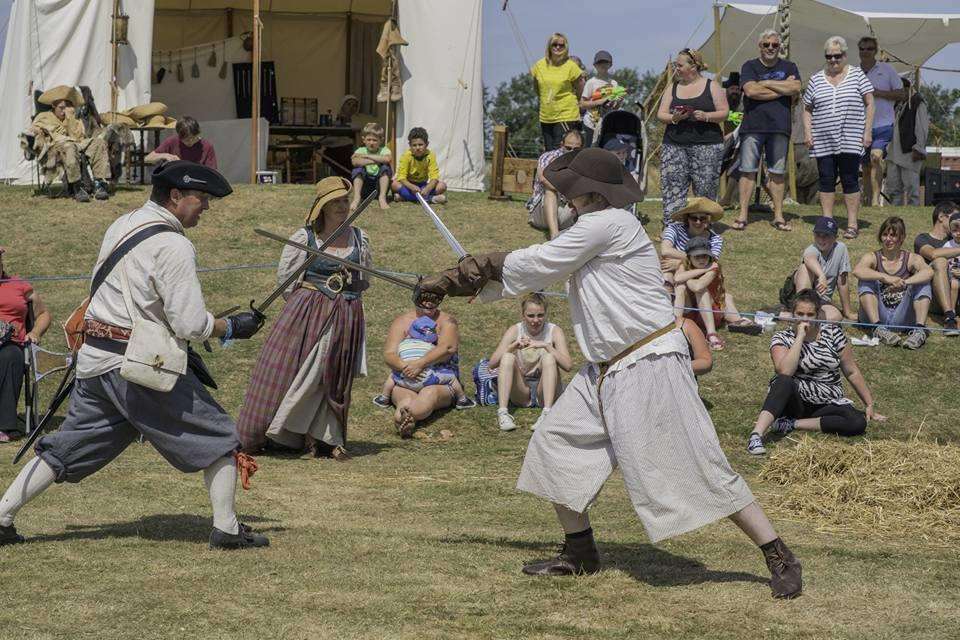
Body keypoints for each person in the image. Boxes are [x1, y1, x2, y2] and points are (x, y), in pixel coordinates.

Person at [414, 148, 802, 599]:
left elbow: (536, 261)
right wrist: (454, 281)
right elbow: (539, 268)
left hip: (650, 364)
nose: (563, 196)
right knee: (554, 442)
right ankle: (580, 550)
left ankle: (777, 553)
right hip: (604, 370)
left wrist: (466, 271)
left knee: (699, 465)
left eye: (569, 188)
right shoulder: (591, 230)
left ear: (588, 191)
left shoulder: (610, 223)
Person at [0, 161, 269, 550]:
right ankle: (226, 529)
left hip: (95, 359)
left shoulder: (123, 224)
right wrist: (232, 327)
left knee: (67, 448)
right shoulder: (174, 244)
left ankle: (2, 516)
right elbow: (190, 324)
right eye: (202, 199)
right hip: (138, 366)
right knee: (221, 436)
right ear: (176, 196)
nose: (206, 208)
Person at [236, 177, 370, 461]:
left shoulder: (359, 238)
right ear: (322, 207)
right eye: (335, 203)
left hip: (346, 313)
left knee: (335, 374)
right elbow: (287, 280)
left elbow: (364, 280)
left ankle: (328, 438)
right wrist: (308, 304)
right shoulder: (305, 238)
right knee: (309, 372)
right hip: (308, 312)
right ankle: (294, 435)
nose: (342, 207)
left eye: (345, 201)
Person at [747, 289, 883, 456]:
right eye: (800, 313)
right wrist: (800, 338)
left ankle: (792, 424)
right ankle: (756, 435)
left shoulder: (834, 334)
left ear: (819, 314)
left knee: (857, 422)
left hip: (826, 402)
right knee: (783, 380)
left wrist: (869, 404)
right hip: (795, 401)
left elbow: (851, 371)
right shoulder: (782, 338)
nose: (805, 319)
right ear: (792, 314)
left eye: (810, 314)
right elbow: (785, 370)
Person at [802, 36, 875, 239]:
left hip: (850, 138)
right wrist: (808, 132)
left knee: (850, 178)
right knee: (825, 179)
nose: (833, 60)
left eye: (837, 56)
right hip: (823, 139)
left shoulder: (857, 75)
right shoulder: (816, 79)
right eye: (829, 56)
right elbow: (807, 108)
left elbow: (870, 102)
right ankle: (827, 221)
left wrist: (867, 131)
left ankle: (852, 223)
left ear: (844, 55)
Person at [733, 29, 801, 232]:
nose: (770, 48)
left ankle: (778, 216)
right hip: (753, 126)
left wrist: (767, 83)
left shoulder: (790, 65)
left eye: (774, 45)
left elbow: (796, 88)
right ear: (759, 46)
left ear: (779, 46)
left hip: (780, 127)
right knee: (747, 171)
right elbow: (751, 91)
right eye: (766, 44)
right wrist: (781, 89)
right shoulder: (749, 65)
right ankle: (743, 215)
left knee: (778, 173)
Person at [656, 48, 729, 227]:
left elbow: (724, 113)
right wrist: (674, 118)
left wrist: (706, 116)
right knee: (673, 188)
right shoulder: (672, 88)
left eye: (679, 65)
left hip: (707, 146)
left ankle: (703, 227)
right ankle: (672, 230)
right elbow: (661, 114)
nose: (676, 69)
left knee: (705, 189)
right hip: (674, 145)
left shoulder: (712, 86)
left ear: (693, 67)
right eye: (676, 65)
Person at [487, 292, 573, 433]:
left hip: (545, 389)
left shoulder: (554, 331)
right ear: (523, 315)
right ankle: (503, 413)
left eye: (540, 315)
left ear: (545, 315)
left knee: (549, 358)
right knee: (507, 357)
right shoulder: (515, 330)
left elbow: (568, 366)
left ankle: (547, 413)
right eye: (530, 316)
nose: (535, 320)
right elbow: (492, 364)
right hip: (522, 390)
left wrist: (546, 346)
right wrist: (512, 346)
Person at [383, 304, 463, 438]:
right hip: (407, 379)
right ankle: (407, 416)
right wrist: (406, 368)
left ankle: (407, 416)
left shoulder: (447, 321)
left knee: (429, 393)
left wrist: (420, 364)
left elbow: (448, 348)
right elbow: (389, 354)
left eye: (435, 296)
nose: (429, 303)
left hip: (437, 381)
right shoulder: (402, 321)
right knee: (406, 398)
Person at [854, 216, 933, 349]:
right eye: (885, 234)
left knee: (922, 282)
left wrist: (905, 282)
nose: (888, 239)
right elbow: (857, 270)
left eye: (893, 235)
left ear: (901, 238)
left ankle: (919, 330)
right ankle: (877, 328)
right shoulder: (873, 257)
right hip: (877, 314)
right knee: (866, 279)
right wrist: (885, 277)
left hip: (902, 316)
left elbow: (929, 272)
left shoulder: (911, 258)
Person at [372, 310, 475, 411]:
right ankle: (462, 399)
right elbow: (445, 350)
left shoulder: (404, 343)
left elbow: (449, 348)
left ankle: (385, 399)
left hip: (405, 379)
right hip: (428, 378)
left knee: (401, 385)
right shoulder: (430, 345)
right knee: (437, 388)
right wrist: (416, 366)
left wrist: (408, 367)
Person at [0, 248, 52, 442]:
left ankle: (4, 426)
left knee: (10, 356)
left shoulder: (19, 286)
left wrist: (35, 332)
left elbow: (44, 314)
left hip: (11, 344)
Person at [674, 235, 760, 351]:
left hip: (709, 314)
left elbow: (697, 286)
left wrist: (689, 276)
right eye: (697, 256)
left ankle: (712, 334)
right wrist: (703, 270)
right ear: (689, 258)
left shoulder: (713, 268)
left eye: (705, 256)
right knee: (680, 287)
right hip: (691, 313)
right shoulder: (688, 265)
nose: (701, 260)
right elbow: (677, 278)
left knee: (702, 292)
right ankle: (675, 327)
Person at [28, 85, 112, 202]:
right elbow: (34, 130)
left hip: (77, 143)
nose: (64, 111)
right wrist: (36, 134)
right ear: (53, 106)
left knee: (99, 143)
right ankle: (77, 188)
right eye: (61, 108)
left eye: (66, 107)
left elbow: (79, 136)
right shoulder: (44, 116)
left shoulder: (72, 118)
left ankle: (99, 184)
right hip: (57, 146)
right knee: (70, 147)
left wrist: (70, 120)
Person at [858, 36, 906, 208]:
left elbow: (902, 94)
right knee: (864, 166)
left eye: (869, 48)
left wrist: (879, 93)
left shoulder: (887, 70)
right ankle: (867, 200)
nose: (865, 52)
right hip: (860, 126)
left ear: (875, 50)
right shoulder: (854, 72)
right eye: (862, 49)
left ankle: (875, 200)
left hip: (883, 124)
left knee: (876, 158)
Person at [779, 216, 855, 322]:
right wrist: (821, 275)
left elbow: (843, 281)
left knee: (836, 316)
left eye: (826, 236)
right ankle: (801, 311)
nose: (821, 239)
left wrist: (847, 312)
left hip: (820, 301)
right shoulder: (812, 249)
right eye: (818, 235)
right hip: (796, 297)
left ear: (835, 237)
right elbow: (809, 258)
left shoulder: (841, 249)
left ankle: (790, 316)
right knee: (805, 268)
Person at [912, 200, 960, 335]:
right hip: (935, 298)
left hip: (957, 292)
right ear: (941, 217)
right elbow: (933, 254)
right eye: (954, 217)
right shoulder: (923, 238)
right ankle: (949, 317)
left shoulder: (955, 241)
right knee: (940, 261)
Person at [531, 33, 585, 152]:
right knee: (549, 152)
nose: (558, 47)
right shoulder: (539, 65)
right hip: (546, 116)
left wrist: (578, 100)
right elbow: (536, 86)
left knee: (561, 151)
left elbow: (581, 85)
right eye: (554, 44)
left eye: (561, 45)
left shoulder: (571, 66)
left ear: (566, 47)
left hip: (566, 115)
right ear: (549, 46)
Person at [526, 129, 583, 238]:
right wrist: (566, 190)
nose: (572, 151)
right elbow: (543, 179)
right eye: (568, 148)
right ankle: (554, 235)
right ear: (562, 145)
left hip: (567, 209)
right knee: (550, 191)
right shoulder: (548, 157)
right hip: (541, 211)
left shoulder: (583, 161)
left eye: (576, 149)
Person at [659, 197, 724, 292]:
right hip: (677, 271)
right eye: (694, 218)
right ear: (687, 218)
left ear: (708, 220)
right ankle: (668, 303)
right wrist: (689, 261)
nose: (698, 222)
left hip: (698, 274)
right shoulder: (674, 229)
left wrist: (681, 263)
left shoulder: (715, 239)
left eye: (703, 218)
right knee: (667, 275)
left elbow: (711, 262)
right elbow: (665, 251)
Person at [885, 78, 928, 207]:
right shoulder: (897, 104)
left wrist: (918, 148)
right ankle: (894, 212)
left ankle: (913, 211)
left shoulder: (917, 102)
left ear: (907, 89)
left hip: (909, 152)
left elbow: (922, 128)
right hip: (893, 153)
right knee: (893, 187)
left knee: (911, 188)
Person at [391, 127, 447, 204]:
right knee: (394, 184)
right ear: (410, 145)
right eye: (414, 145)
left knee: (442, 186)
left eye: (420, 145)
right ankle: (430, 199)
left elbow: (434, 177)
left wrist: (427, 188)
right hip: (408, 185)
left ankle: (405, 198)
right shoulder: (406, 156)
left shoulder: (430, 155)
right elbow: (401, 177)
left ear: (427, 144)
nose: (417, 148)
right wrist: (412, 187)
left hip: (423, 185)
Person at [579, 50, 620, 147]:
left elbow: (615, 107)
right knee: (589, 152)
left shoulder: (614, 84)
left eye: (606, 62)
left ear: (610, 64)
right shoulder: (591, 82)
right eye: (600, 62)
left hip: (607, 124)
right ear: (595, 65)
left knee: (605, 151)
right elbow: (582, 104)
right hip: (590, 123)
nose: (603, 65)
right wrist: (600, 102)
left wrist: (619, 101)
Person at [145, 116, 218, 169]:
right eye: (186, 140)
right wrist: (165, 155)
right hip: (175, 185)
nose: (190, 141)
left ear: (198, 134)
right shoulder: (172, 141)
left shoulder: (207, 146)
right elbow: (148, 159)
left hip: (198, 185)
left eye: (193, 138)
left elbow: (212, 172)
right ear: (179, 136)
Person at [350, 122, 392, 210]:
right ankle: (357, 198)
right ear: (363, 139)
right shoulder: (360, 150)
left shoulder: (384, 150)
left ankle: (382, 198)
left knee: (385, 168)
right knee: (358, 169)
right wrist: (377, 160)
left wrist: (367, 156)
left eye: (375, 140)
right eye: (369, 140)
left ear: (381, 140)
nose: (371, 143)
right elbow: (355, 162)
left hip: (378, 186)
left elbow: (387, 159)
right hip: (365, 186)